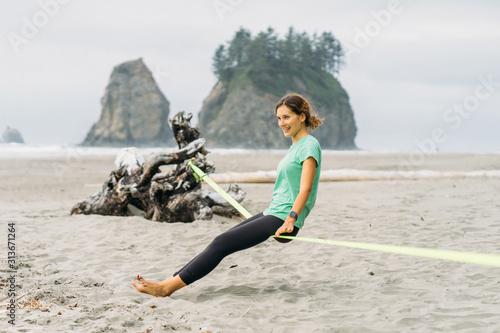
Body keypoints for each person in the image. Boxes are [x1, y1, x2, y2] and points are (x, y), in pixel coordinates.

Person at [132, 93, 323, 297]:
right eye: (278, 118)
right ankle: (168, 281)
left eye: (286, 117)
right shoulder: (296, 146)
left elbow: (306, 189)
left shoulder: (309, 145)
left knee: (221, 244)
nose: (281, 123)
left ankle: (166, 289)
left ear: (302, 117)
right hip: (274, 212)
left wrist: (291, 219)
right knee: (220, 240)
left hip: (284, 217)